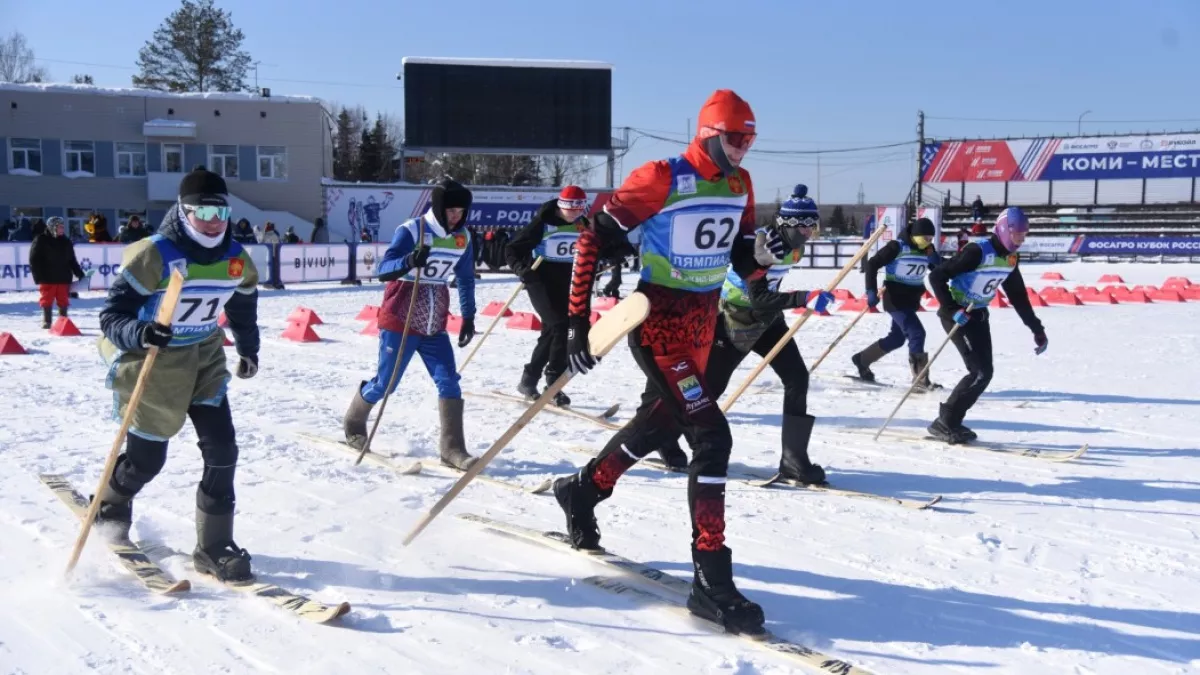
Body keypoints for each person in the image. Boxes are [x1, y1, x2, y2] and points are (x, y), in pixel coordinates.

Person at [553, 90, 821, 635]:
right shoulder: (663, 176)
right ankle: (710, 577)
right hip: (659, 321)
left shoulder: (740, 186)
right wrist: (578, 321)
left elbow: (740, 259)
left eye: (750, 139)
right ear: (709, 134)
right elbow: (591, 239)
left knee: (661, 423)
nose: (743, 149)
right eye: (736, 138)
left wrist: (762, 258)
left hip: (704, 321)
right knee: (712, 436)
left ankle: (582, 489)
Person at [93, 167, 261, 582]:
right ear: (184, 212)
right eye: (202, 212)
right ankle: (111, 504)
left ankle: (214, 546)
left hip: (205, 358)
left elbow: (241, 308)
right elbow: (112, 315)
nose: (212, 221)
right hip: (155, 362)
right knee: (147, 460)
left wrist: (248, 348)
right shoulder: (156, 254)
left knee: (223, 449)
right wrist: (141, 332)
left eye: (220, 212)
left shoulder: (235, 258)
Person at [646, 189, 833, 481]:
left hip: (766, 319)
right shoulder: (761, 246)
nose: (808, 232)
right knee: (710, 388)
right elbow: (759, 297)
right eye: (803, 226)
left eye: (813, 225)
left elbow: (766, 297)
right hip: (732, 318)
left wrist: (802, 298)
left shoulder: (796, 248)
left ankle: (794, 460)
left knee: (797, 377)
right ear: (785, 224)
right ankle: (664, 436)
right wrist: (803, 297)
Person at [342, 178, 480, 470]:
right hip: (400, 318)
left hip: (434, 322)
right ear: (439, 208)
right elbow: (383, 270)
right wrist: (408, 260)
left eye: (461, 212)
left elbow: (466, 278)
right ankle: (354, 421)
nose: (456, 217)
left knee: (449, 381)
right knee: (386, 384)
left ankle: (452, 448)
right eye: (451, 211)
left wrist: (468, 316)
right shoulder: (412, 230)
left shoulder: (463, 238)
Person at [927, 207, 1047, 443]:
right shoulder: (977, 251)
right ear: (1004, 230)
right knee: (979, 372)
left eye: (1024, 235)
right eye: (1018, 234)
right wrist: (952, 309)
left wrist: (1036, 328)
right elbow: (937, 276)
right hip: (958, 315)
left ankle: (952, 421)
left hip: (979, 315)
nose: (1021, 240)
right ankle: (946, 421)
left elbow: (1018, 296)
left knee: (985, 373)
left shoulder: (1010, 259)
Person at [505, 185, 590, 406]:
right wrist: (521, 269)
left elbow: (593, 247)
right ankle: (553, 383)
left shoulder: (582, 224)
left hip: (567, 282)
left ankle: (528, 379)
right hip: (540, 281)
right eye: (570, 208)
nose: (574, 213)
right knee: (561, 326)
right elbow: (512, 249)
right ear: (561, 205)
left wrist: (613, 251)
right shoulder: (543, 222)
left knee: (551, 331)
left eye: (578, 208)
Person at [851, 216, 943, 390]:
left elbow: (941, 270)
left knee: (897, 338)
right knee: (917, 333)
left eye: (931, 238)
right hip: (894, 299)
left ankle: (862, 359)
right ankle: (920, 380)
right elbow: (872, 264)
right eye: (925, 238)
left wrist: (937, 261)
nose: (928, 242)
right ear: (915, 236)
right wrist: (871, 290)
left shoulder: (927, 250)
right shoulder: (897, 247)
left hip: (911, 300)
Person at [29, 216, 85, 328]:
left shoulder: (66, 241)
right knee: (47, 299)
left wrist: (79, 273)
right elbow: (34, 260)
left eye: (63, 227)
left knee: (63, 300)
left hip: (63, 277)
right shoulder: (41, 240)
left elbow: (72, 260)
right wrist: (38, 276)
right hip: (47, 277)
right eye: (59, 227)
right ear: (52, 227)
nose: (62, 229)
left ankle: (63, 321)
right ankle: (47, 321)